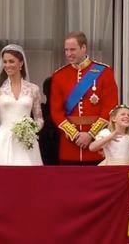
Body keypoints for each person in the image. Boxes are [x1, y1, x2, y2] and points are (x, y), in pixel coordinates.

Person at [50, 31, 119, 165]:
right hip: (69, 144)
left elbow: (110, 107)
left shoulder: (104, 73)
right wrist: (75, 134)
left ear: (83, 48)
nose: (68, 54)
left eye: (72, 49)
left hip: (97, 143)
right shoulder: (59, 76)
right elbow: (56, 111)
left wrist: (90, 134)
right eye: (66, 50)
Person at [0, 44, 44, 165]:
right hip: (3, 140)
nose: (7, 65)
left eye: (11, 61)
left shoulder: (33, 89)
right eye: (5, 62)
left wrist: (30, 130)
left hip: (26, 141)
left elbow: (39, 119)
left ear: (21, 63)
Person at [38, 77, 60, 165]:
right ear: (44, 91)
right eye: (49, 89)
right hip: (43, 146)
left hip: (59, 148)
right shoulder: (39, 109)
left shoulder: (64, 111)